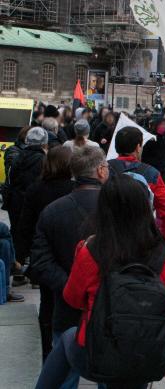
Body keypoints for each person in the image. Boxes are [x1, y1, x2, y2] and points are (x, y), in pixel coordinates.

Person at [35, 175, 165, 388]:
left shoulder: (93, 250)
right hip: (144, 351)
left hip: (98, 350)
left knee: (68, 337)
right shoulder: (164, 255)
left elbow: (72, 298)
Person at [29, 147, 109, 388]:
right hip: (111, 307)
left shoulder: (53, 211)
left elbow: (40, 262)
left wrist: (70, 286)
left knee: (65, 376)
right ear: (101, 171)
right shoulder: (118, 209)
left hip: (67, 309)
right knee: (111, 376)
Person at [18, 146, 74, 359]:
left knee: (47, 301)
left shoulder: (36, 189)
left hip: (44, 253)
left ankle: (47, 346)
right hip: (68, 250)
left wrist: (22, 255)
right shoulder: (73, 188)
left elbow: (25, 224)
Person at [108, 127, 165, 246]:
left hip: (111, 237)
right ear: (138, 147)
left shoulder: (104, 170)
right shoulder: (151, 173)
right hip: (142, 238)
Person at [6, 126, 48, 269]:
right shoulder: (43, 160)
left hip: (16, 200)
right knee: (35, 235)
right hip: (34, 202)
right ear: (44, 143)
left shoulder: (18, 157)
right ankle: (33, 270)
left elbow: (11, 179)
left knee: (19, 234)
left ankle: (18, 266)